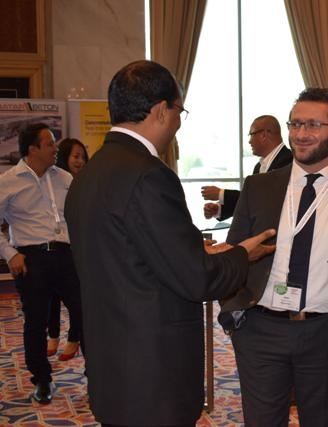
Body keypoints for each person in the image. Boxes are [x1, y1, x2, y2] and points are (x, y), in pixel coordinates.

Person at [64, 60, 276, 427]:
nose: (179, 122)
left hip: (111, 362)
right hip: (153, 373)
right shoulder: (149, 175)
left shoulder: (90, 173)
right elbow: (197, 278)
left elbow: (131, 254)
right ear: (162, 110)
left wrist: (195, 251)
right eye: (180, 111)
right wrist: (243, 253)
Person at [218, 87, 328, 427]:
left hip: (324, 330)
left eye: (313, 125)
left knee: (319, 419)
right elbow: (236, 252)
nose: (300, 134)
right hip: (261, 328)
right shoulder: (259, 187)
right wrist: (235, 310)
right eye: (295, 124)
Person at [0, 123, 85, 405]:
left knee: (84, 313)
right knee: (36, 322)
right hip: (31, 258)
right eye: (49, 144)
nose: (55, 149)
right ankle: (42, 379)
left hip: (66, 256)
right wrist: (9, 253)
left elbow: (80, 216)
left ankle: (96, 375)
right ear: (32, 149)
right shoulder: (8, 181)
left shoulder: (64, 178)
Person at [202, 114, 292, 221]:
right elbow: (251, 202)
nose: (249, 141)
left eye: (251, 134)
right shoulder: (259, 166)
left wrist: (221, 194)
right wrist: (219, 210)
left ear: (263, 135)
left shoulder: (288, 161)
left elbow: (264, 199)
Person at [46, 138, 88, 360]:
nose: (80, 161)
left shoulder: (87, 182)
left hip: (80, 247)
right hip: (57, 244)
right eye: (75, 156)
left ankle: (74, 337)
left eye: (83, 157)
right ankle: (53, 335)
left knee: (76, 299)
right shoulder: (54, 181)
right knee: (52, 295)